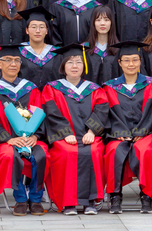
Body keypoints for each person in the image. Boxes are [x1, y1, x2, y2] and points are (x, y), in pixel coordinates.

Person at [0, 44, 49, 216]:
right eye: (8, 60)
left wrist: (36, 136)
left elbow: (39, 114)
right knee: (9, 155)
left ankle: (36, 199)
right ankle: (20, 199)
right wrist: (8, 139)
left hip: (30, 139)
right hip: (5, 141)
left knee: (42, 154)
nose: (13, 64)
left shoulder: (31, 89)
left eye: (17, 60)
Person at [41, 43, 108, 215]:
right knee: (67, 152)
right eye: (70, 62)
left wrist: (92, 131)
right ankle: (68, 202)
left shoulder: (94, 89)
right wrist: (65, 133)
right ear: (63, 66)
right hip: (64, 136)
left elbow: (101, 110)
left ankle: (90, 202)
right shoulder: (52, 88)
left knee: (94, 151)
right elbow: (51, 112)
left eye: (78, 62)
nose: (74, 66)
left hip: (88, 135)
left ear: (84, 66)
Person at [101, 41, 152, 214]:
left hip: (146, 132)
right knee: (113, 151)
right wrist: (119, 132)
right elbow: (107, 113)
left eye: (135, 60)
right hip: (118, 134)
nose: (131, 64)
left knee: (147, 151)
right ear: (119, 63)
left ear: (140, 62)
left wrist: (143, 131)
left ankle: (146, 196)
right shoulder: (109, 87)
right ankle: (115, 195)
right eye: (126, 60)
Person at [16, 6, 60, 89]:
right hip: (26, 96)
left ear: (46, 31)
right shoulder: (18, 51)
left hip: (50, 95)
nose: (38, 31)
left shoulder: (56, 53)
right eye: (33, 27)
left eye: (42, 27)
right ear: (27, 30)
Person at [84, 5, 120, 85]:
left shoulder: (119, 49)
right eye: (98, 20)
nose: (102, 23)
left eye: (106, 20)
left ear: (111, 23)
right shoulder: (84, 49)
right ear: (93, 23)